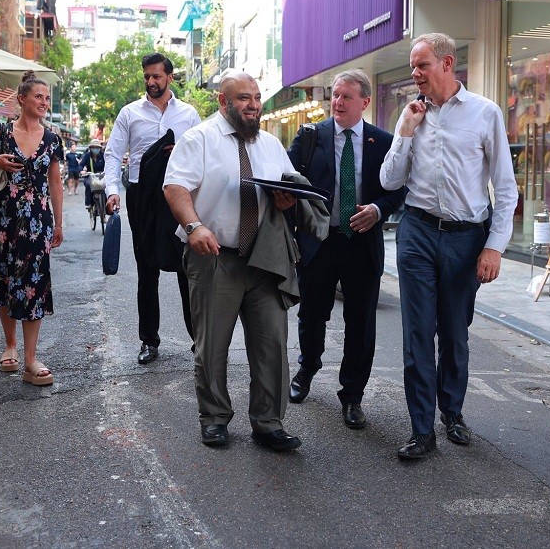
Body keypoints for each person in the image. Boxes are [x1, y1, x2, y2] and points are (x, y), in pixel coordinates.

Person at [379, 33, 519, 461]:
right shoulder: (412, 116)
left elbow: (506, 187)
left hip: (465, 238)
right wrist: (404, 132)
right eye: (412, 66)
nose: (415, 73)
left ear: (447, 63)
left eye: (422, 65)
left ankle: (452, 412)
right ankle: (422, 429)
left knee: (455, 332)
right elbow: (389, 181)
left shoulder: (484, 113)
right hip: (417, 232)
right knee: (418, 333)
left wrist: (493, 247)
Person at [164, 71, 317, 452]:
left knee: (272, 344)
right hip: (214, 257)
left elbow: (285, 188)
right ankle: (214, 418)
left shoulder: (269, 144)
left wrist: (287, 200)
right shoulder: (198, 139)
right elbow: (175, 186)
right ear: (223, 101)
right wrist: (194, 225)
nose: (252, 106)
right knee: (212, 345)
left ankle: (268, 422)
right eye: (243, 99)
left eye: (256, 98)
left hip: (264, 259)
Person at [285, 69, 407, 430]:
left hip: (362, 244)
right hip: (320, 242)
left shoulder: (383, 142)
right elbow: (288, 180)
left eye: (345, 96)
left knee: (360, 323)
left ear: (364, 102)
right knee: (312, 314)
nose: (337, 102)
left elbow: (398, 188)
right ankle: (307, 368)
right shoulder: (310, 137)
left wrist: (379, 209)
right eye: (334, 95)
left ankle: (352, 395)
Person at [104, 52, 201, 365]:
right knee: (147, 271)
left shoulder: (188, 114)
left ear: (169, 77)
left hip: (180, 196)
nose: (151, 82)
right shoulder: (130, 113)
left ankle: (200, 340)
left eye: (157, 76)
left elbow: (203, 154)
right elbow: (112, 153)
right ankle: (149, 341)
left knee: (189, 269)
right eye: (147, 76)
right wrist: (112, 191)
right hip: (142, 197)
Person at [0, 71, 64, 386]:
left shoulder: (52, 138)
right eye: (39, 96)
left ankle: (30, 359)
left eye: (47, 98)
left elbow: (55, 181)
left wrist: (59, 221)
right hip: (3, 220)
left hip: (38, 220)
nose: (44, 102)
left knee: (34, 283)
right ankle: (10, 346)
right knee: (7, 280)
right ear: (22, 99)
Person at [80, 139, 105, 208]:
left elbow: (109, 165)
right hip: (90, 175)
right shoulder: (87, 156)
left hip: (101, 175)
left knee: (106, 186)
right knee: (88, 184)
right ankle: (89, 203)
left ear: (100, 148)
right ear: (90, 148)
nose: (95, 149)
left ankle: (106, 204)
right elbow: (81, 165)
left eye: (97, 147)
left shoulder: (104, 156)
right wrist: (82, 171)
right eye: (93, 147)